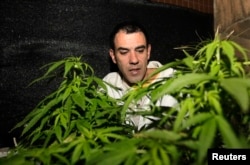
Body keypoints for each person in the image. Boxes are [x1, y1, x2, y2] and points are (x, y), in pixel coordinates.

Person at [102, 21, 178, 130]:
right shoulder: (108, 85)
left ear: (148, 52)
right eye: (124, 52)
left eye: (140, 50)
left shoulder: (174, 82)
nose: (134, 60)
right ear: (113, 56)